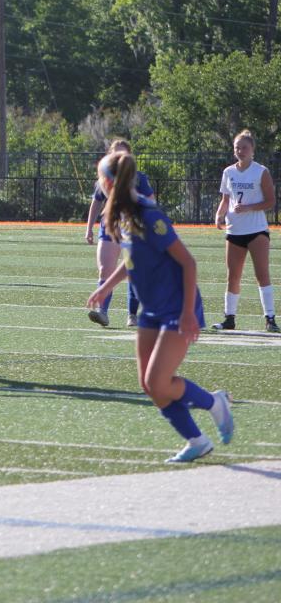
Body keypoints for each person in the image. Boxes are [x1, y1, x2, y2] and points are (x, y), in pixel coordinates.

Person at [87, 151, 234, 463]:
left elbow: (188, 263)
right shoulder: (122, 216)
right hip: (152, 309)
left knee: (159, 382)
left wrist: (187, 313)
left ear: (109, 182)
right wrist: (106, 286)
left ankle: (214, 403)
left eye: (100, 178)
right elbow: (132, 260)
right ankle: (196, 440)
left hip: (177, 308)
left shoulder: (148, 215)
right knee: (150, 386)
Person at [213, 129, 279, 332]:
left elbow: (270, 201)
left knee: (262, 274)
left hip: (256, 230)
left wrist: (249, 207)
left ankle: (270, 318)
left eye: (244, 148)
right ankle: (229, 318)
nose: (240, 151)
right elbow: (226, 199)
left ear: (252, 150)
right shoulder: (228, 172)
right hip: (234, 231)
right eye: (237, 148)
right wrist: (219, 214)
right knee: (233, 276)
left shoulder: (261, 171)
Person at [84, 139, 154, 328]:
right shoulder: (103, 179)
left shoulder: (139, 178)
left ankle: (132, 314)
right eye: (115, 155)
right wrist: (89, 227)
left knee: (133, 270)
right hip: (110, 225)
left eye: (123, 155)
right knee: (105, 269)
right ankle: (102, 312)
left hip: (132, 227)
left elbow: (151, 202)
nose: (119, 159)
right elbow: (97, 202)